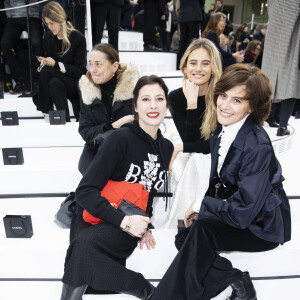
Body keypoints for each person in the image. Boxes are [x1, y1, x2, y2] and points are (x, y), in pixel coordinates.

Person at [154, 63, 291, 300]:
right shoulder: (222, 131)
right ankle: (236, 280)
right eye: (223, 95)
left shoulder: (257, 145)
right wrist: (206, 207)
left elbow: (244, 212)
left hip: (260, 226)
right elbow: (220, 182)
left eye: (237, 100)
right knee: (185, 236)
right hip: (238, 211)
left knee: (200, 233)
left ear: (252, 106)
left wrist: (202, 205)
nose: (225, 105)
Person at [60, 75, 174, 300]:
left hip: (129, 222)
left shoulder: (166, 148)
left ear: (166, 105)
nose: (153, 105)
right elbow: (85, 191)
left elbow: (148, 192)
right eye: (145, 99)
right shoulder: (120, 139)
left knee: (82, 251)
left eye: (159, 99)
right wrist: (124, 221)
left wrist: (144, 224)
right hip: (98, 214)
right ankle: (147, 291)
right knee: (83, 246)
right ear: (135, 106)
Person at [162, 38, 222, 228]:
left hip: (220, 155)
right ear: (185, 67)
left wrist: (179, 147)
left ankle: (196, 217)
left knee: (199, 160)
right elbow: (192, 140)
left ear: (213, 67)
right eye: (193, 63)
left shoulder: (222, 95)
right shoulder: (176, 97)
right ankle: (189, 218)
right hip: (197, 154)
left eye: (205, 63)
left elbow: (215, 143)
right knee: (196, 160)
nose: (198, 69)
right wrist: (192, 103)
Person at [77, 43, 140, 175]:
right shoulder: (88, 92)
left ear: (114, 66)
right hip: (96, 150)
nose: (92, 69)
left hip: (127, 150)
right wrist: (113, 126)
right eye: (90, 64)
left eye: (98, 64)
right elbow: (85, 131)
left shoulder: (133, 90)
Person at [33, 1, 86, 122]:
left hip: (75, 83)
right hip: (59, 82)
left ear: (60, 19)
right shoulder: (48, 38)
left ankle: (46, 111)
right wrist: (46, 62)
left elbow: (79, 71)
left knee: (47, 71)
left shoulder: (78, 38)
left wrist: (55, 65)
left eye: (52, 23)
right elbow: (53, 70)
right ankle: (64, 121)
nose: (49, 27)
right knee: (54, 83)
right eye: (47, 24)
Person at [262, 0, 299, 136]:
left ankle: (261, 120)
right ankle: (282, 126)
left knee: (268, 82)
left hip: (274, 38)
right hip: (293, 39)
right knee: (291, 84)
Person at [0, 0, 44, 94]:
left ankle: (38, 82)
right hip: (14, 19)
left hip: (33, 17)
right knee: (5, 44)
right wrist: (10, 16)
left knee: (37, 44)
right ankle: (20, 82)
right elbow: (6, 3)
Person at [176, 0, 205, 68]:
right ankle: (191, 62)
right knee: (193, 41)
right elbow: (202, 2)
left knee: (183, 41)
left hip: (183, 15)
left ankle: (179, 63)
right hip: (194, 14)